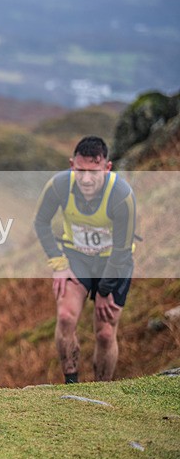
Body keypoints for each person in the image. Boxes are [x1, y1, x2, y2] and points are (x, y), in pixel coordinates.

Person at [34, 136, 136, 383]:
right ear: (72, 165)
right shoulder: (58, 185)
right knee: (66, 317)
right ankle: (71, 386)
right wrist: (58, 264)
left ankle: (101, 392)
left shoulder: (122, 196)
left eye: (94, 172)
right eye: (80, 171)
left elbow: (122, 250)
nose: (86, 179)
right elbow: (41, 222)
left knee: (104, 332)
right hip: (76, 258)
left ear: (107, 168)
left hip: (113, 263)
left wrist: (104, 290)